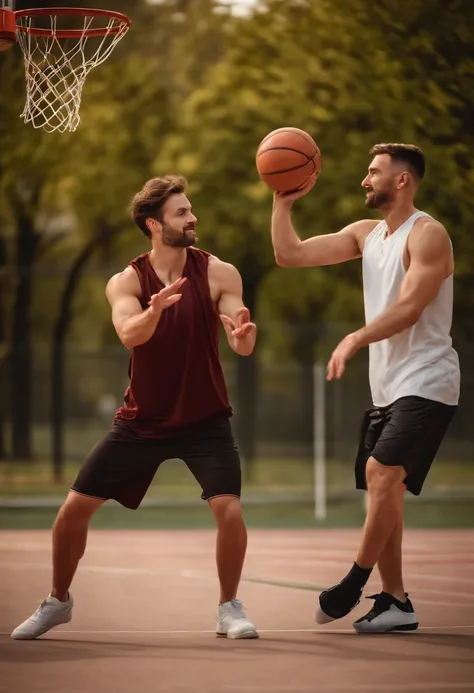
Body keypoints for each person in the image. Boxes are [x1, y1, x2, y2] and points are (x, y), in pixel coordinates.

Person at [12, 175, 259, 641]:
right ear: (153, 224)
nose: (193, 218)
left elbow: (241, 336)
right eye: (182, 213)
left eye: (190, 210)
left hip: (205, 418)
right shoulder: (126, 281)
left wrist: (243, 338)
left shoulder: (219, 272)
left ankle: (230, 608)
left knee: (228, 510)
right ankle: (58, 601)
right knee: (71, 513)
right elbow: (130, 335)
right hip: (142, 421)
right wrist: (156, 309)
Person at [270, 143, 460, 633]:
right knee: (385, 491)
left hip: (428, 379)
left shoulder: (429, 235)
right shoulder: (365, 235)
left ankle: (354, 583)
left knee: (381, 474)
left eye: (373, 171)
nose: (364, 179)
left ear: (402, 181)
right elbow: (289, 255)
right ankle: (396, 601)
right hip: (388, 386)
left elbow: (411, 306)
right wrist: (281, 201)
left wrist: (356, 336)